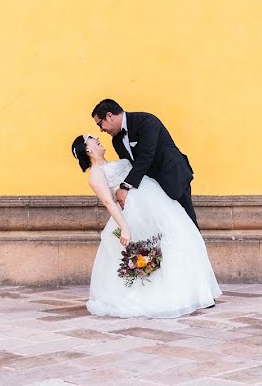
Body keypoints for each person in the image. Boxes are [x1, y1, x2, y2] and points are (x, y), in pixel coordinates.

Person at [71, 134, 220, 318]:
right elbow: (109, 203)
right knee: (154, 251)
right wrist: (124, 227)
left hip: (156, 203)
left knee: (181, 238)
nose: (97, 138)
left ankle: (188, 291)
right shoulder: (95, 174)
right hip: (137, 213)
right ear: (88, 149)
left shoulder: (112, 162)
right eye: (92, 138)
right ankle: (161, 297)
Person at [91, 99, 199, 229]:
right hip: (151, 187)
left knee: (187, 220)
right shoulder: (116, 141)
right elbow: (129, 165)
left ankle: (195, 248)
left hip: (173, 176)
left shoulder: (146, 121)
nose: (101, 130)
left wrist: (125, 187)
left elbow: (146, 156)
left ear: (109, 116)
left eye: (100, 124)